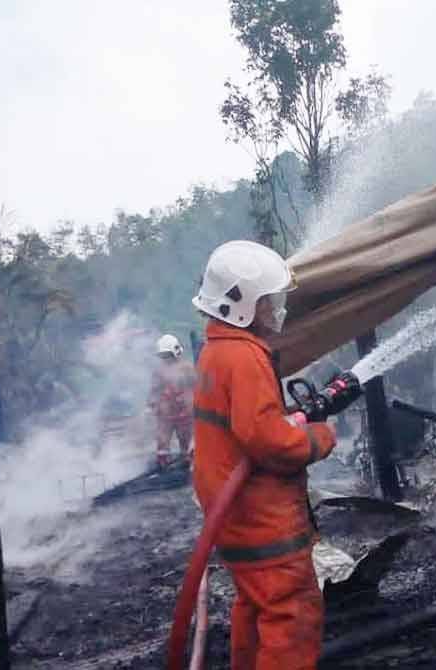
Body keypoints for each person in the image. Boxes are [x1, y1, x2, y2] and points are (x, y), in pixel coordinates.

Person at [192, 240, 337, 670]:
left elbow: (248, 424)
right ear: (241, 305)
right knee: (291, 611)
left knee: (256, 605)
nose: (278, 309)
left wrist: (284, 418)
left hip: (233, 515)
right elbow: (267, 441)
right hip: (262, 518)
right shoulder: (243, 356)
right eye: (269, 301)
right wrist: (319, 438)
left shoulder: (217, 350)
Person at [148, 334, 196, 468]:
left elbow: (197, 387)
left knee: (186, 447)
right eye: (163, 356)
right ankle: (163, 465)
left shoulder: (187, 369)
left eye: (167, 355)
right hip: (165, 415)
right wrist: (152, 405)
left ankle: (187, 467)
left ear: (175, 352)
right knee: (162, 446)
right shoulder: (159, 371)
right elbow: (154, 391)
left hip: (184, 414)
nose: (166, 359)